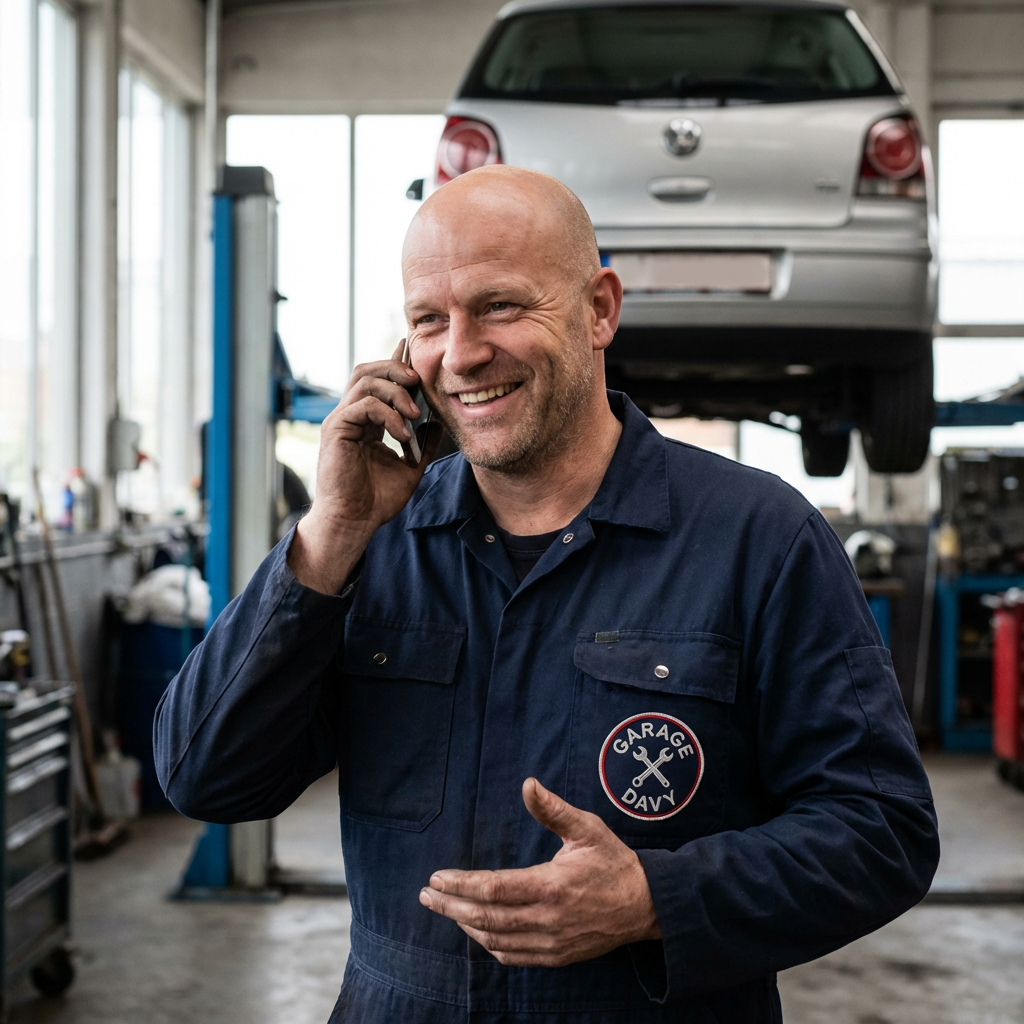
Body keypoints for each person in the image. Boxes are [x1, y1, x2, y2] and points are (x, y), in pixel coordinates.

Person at [154, 165, 939, 1023]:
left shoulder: (758, 538)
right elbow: (204, 777)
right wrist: (328, 533)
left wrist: (653, 898)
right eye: (428, 321)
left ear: (599, 309)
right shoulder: (371, 547)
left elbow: (880, 831)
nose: (461, 353)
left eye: (499, 306)